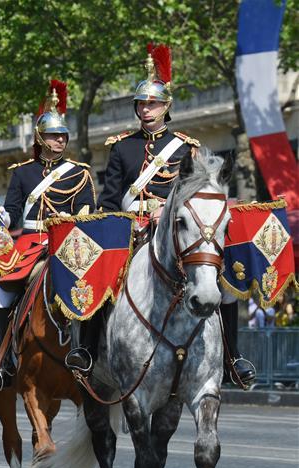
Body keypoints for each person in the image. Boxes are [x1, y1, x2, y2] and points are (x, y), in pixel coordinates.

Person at [64, 43, 255, 384]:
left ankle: (232, 356)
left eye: (152, 103)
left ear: (166, 106)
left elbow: (196, 192)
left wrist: (170, 212)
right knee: (100, 276)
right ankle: (89, 349)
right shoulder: (122, 147)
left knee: (222, 283)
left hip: (178, 228)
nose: (145, 109)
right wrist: (128, 219)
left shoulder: (186, 147)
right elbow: (109, 201)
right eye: (141, 104)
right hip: (133, 230)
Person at [0, 80, 95, 391]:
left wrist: (71, 221)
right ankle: (2, 365)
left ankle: (87, 352)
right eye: (53, 136)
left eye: (62, 136)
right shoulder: (23, 172)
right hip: (31, 244)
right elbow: (13, 210)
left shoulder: (79, 173)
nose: (59, 141)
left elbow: (89, 210)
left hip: (68, 243)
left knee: (90, 292)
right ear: (40, 138)